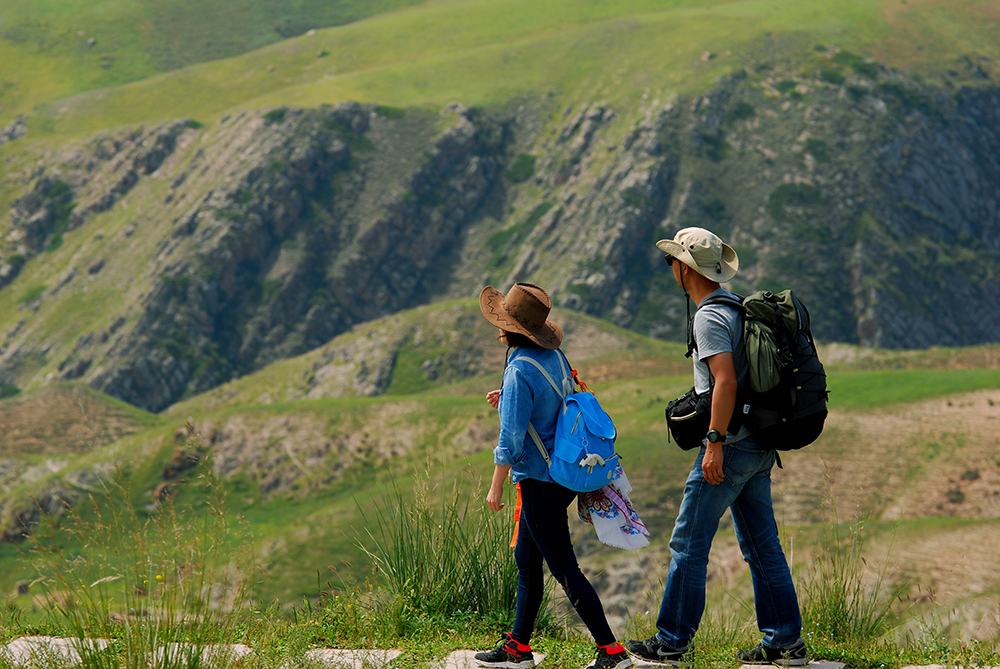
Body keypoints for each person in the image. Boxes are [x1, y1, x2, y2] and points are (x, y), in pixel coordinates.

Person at [624, 228, 807, 667]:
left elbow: (723, 381)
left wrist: (714, 443)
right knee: (763, 546)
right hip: (760, 442)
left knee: (688, 543)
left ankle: (672, 641)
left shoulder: (709, 316)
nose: (670, 268)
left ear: (685, 268)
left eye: (672, 261)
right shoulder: (737, 307)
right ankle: (786, 644)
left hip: (732, 446)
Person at [474, 282, 632, 669]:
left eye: (502, 320)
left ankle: (611, 651)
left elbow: (510, 440)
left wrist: (496, 487)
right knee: (527, 561)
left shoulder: (518, 372)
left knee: (563, 568)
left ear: (509, 329)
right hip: (559, 477)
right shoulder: (553, 356)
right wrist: (509, 396)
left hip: (538, 482)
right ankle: (517, 648)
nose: (498, 327)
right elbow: (554, 405)